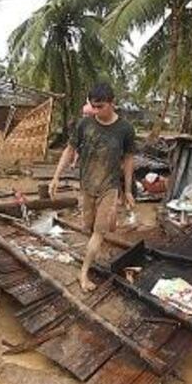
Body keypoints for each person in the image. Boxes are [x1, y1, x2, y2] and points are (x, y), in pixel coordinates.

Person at [50, 83, 135, 292]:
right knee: (88, 228)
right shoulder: (84, 125)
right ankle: (107, 224)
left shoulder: (125, 129)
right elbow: (69, 150)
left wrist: (129, 190)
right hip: (87, 186)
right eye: (93, 107)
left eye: (100, 106)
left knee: (99, 232)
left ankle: (83, 274)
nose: (96, 111)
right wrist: (55, 177)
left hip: (109, 186)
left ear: (112, 103)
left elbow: (129, 159)